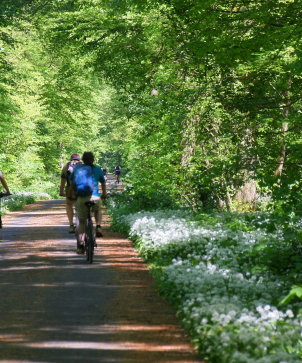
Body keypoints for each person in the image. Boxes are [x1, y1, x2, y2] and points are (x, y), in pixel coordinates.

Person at [71, 152, 107, 254]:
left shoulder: (77, 169)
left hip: (82, 198)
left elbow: (72, 184)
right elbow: (103, 183)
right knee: (98, 210)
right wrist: (104, 194)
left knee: (82, 222)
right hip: (95, 197)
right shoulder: (97, 169)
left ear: (83, 159)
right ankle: (98, 226)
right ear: (93, 159)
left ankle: (81, 245)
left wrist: (72, 195)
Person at [59, 154, 81, 233]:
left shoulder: (66, 167)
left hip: (70, 190)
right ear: (79, 160)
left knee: (69, 205)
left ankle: (71, 225)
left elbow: (63, 181)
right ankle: (81, 223)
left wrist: (61, 192)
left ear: (71, 159)